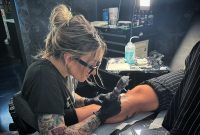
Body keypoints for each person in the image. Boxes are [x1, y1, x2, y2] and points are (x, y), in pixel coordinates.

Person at [20, 4, 121, 134]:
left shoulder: (65, 69)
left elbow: (68, 95)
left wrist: (88, 101)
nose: (95, 72)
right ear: (69, 58)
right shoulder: (43, 78)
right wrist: (100, 116)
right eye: (92, 66)